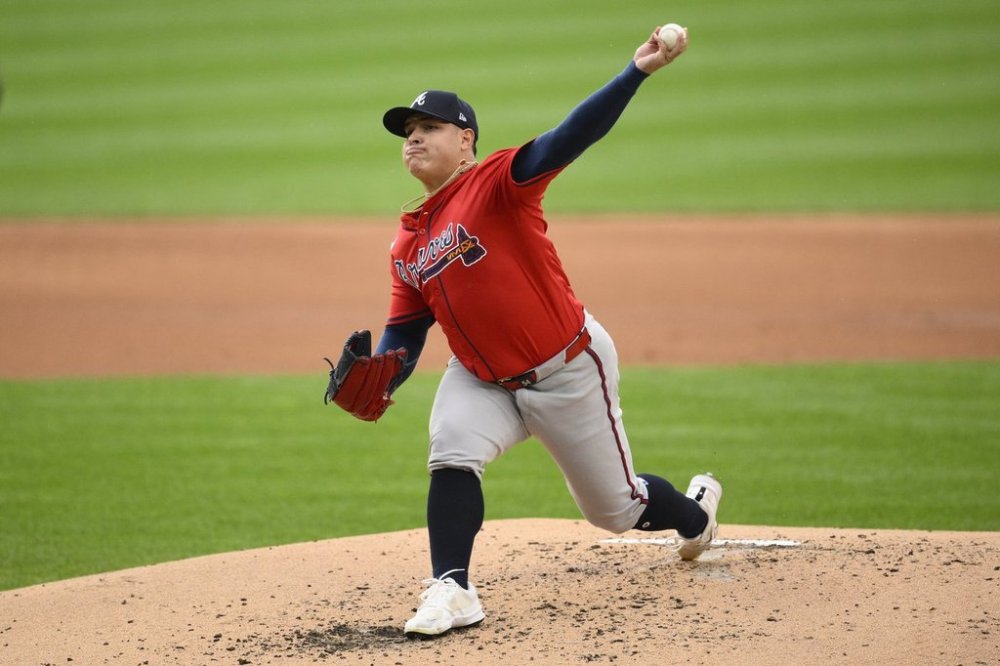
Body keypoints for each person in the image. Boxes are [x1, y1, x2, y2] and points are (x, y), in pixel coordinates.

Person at [325, 24, 722, 639]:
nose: (414, 139)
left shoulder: (501, 183)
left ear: (466, 141)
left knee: (616, 510)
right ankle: (452, 588)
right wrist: (381, 370)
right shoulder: (407, 243)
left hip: (566, 367)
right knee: (451, 450)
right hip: (481, 380)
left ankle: (696, 515)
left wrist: (635, 73)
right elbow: (404, 334)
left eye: (427, 128)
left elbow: (570, 136)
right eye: (408, 133)